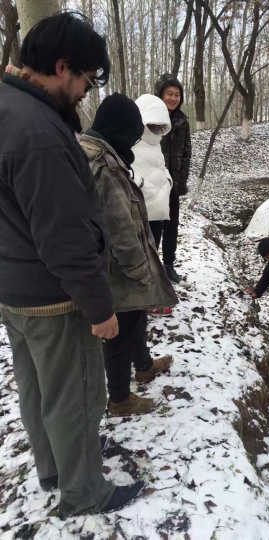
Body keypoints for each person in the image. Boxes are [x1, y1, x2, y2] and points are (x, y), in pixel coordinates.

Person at [0, 13, 144, 516]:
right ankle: (85, 492)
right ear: (63, 67)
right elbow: (64, 235)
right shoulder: (38, 132)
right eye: (85, 79)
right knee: (77, 397)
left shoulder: (8, 104)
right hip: (55, 295)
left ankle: (54, 469)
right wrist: (100, 308)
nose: (86, 92)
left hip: (14, 287)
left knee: (38, 389)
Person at [80, 93, 178, 416]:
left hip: (115, 264)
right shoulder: (103, 166)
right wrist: (140, 269)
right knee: (121, 331)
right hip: (118, 268)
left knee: (137, 316)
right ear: (119, 129)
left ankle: (145, 365)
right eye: (132, 134)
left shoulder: (100, 152)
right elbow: (119, 226)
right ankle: (120, 398)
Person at [131, 94, 174, 316]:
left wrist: (167, 181)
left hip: (158, 211)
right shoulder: (131, 141)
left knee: (153, 255)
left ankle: (152, 299)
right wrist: (144, 187)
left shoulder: (156, 145)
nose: (157, 130)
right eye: (153, 125)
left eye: (161, 126)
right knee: (142, 257)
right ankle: (144, 301)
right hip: (141, 210)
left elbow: (160, 167)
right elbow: (126, 172)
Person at [154, 73, 192, 284]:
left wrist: (181, 181)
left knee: (171, 225)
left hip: (173, 184)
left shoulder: (182, 121)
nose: (173, 98)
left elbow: (187, 152)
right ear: (160, 94)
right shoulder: (149, 118)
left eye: (177, 94)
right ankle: (152, 266)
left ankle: (168, 264)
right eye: (169, 94)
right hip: (153, 184)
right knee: (153, 227)